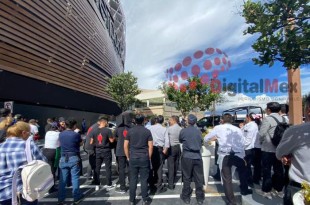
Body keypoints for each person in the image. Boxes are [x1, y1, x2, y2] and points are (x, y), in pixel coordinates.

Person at [204, 113, 252, 205]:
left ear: (222, 120)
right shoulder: (238, 129)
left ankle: (231, 201)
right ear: (231, 121)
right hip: (239, 155)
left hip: (226, 155)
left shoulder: (218, 128)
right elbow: (244, 143)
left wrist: (216, 138)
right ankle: (244, 189)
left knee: (227, 179)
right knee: (242, 172)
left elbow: (206, 138)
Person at [0, 121, 46, 205]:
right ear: (24, 133)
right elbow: (43, 163)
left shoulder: (1, 147)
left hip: (3, 193)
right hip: (25, 192)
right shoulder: (28, 146)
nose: (30, 135)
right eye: (30, 133)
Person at [276, 96, 310, 205]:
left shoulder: (296, 131)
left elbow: (279, 153)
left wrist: (288, 155)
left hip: (301, 192)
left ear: (308, 110)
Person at [258, 102, 286, 199]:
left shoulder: (267, 119)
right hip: (280, 149)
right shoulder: (283, 118)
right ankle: (278, 190)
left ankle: (266, 191)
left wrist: (261, 142)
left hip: (268, 149)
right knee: (279, 170)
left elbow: (261, 134)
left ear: (269, 110)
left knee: (267, 170)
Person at [124, 114, 153, 205]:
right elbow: (150, 147)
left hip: (133, 157)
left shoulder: (130, 131)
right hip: (144, 157)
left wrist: (128, 157)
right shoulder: (147, 131)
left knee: (133, 179)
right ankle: (144, 199)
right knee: (144, 179)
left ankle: (132, 200)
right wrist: (149, 157)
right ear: (144, 120)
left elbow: (125, 146)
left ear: (134, 121)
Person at [179, 114, 205, 205]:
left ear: (188, 121)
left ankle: (186, 197)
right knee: (199, 178)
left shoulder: (183, 131)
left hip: (187, 156)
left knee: (187, 177)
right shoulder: (199, 131)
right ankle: (200, 198)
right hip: (197, 156)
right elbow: (201, 142)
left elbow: (181, 140)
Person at [58, 118, 83, 204]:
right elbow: (80, 143)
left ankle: (61, 199)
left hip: (63, 157)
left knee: (62, 180)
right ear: (74, 125)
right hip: (73, 156)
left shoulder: (61, 134)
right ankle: (76, 197)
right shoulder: (75, 134)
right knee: (75, 178)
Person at [90, 115, 115, 188]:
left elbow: (91, 142)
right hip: (106, 150)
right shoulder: (108, 130)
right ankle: (109, 183)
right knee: (108, 167)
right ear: (105, 122)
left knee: (97, 167)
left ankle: (97, 182)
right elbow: (111, 140)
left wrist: (97, 143)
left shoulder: (94, 130)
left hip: (97, 150)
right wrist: (113, 137)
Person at [148, 115, 169, 193]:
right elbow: (167, 142)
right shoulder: (164, 129)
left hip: (151, 148)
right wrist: (165, 151)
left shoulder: (150, 128)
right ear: (162, 121)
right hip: (160, 149)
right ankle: (159, 187)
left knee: (151, 167)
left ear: (156, 121)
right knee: (159, 168)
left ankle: (151, 185)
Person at [114, 111, 134, 193]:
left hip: (120, 150)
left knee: (121, 169)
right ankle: (131, 183)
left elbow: (115, 138)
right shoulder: (132, 128)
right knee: (130, 168)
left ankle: (122, 187)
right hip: (130, 150)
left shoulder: (118, 128)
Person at [242, 113, 260, 187]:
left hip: (248, 148)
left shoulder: (252, 126)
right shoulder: (248, 125)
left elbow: (248, 139)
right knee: (246, 166)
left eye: (245, 117)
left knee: (247, 166)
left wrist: (241, 146)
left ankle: (249, 181)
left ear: (248, 117)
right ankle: (248, 180)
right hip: (246, 147)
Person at [42, 122, 60, 193]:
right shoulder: (58, 134)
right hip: (54, 152)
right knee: (53, 169)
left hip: (45, 151)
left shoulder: (47, 133)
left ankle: (48, 185)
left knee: (48, 169)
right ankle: (51, 187)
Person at [167, 115, 182, 190]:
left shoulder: (169, 129)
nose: (169, 121)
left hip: (171, 147)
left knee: (171, 166)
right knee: (176, 164)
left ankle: (170, 184)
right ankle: (174, 178)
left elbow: (166, 139)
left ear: (174, 120)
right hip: (178, 147)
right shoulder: (180, 128)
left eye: (170, 120)